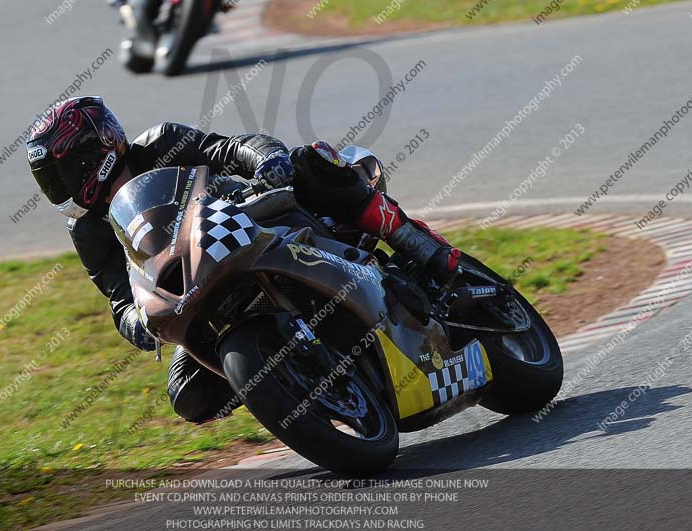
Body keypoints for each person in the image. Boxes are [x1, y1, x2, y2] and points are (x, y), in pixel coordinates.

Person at [26, 96, 459, 423]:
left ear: (95, 150)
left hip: (251, 222)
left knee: (310, 161)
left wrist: (266, 160)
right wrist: (137, 325)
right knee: (186, 396)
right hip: (198, 291)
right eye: (49, 181)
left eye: (61, 174)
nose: (58, 189)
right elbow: (119, 298)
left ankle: (418, 245)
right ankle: (290, 388)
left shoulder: (160, 144)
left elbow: (230, 149)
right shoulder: (87, 230)